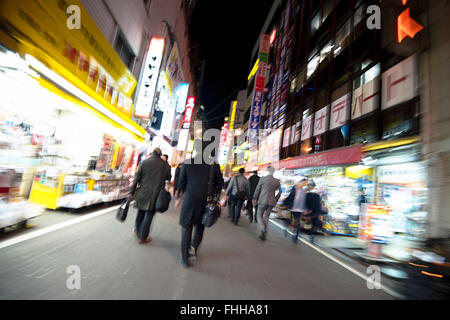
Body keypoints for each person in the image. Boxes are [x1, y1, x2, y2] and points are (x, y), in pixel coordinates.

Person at [175, 140, 224, 268]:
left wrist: (178, 199)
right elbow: (220, 184)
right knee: (200, 227)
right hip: (206, 202)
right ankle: (193, 246)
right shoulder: (214, 165)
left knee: (186, 228)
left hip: (190, 201)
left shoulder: (187, 163)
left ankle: (185, 259)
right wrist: (217, 197)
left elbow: (181, 184)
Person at [129, 147, 170, 243]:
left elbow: (136, 178)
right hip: (156, 194)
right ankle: (143, 237)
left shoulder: (144, 162)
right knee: (149, 215)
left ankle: (137, 230)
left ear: (152, 154)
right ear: (160, 155)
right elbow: (168, 177)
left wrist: (131, 192)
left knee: (140, 212)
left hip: (143, 192)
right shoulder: (164, 165)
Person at [252, 166, 281, 241]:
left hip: (262, 200)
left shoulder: (263, 179)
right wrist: (276, 199)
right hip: (271, 201)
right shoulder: (277, 181)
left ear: (267, 171)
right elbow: (280, 192)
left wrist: (255, 198)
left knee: (259, 215)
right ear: (273, 172)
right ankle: (263, 231)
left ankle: (262, 228)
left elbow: (257, 189)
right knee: (266, 217)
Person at [283, 178, 308, 244]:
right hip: (292, 208)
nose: (305, 184)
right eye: (304, 182)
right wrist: (286, 204)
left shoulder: (304, 190)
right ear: (301, 182)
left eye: (306, 183)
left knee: (297, 223)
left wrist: (304, 209)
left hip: (299, 209)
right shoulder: (294, 188)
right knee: (290, 221)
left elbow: (304, 200)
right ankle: (287, 227)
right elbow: (290, 197)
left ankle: (295, 237)